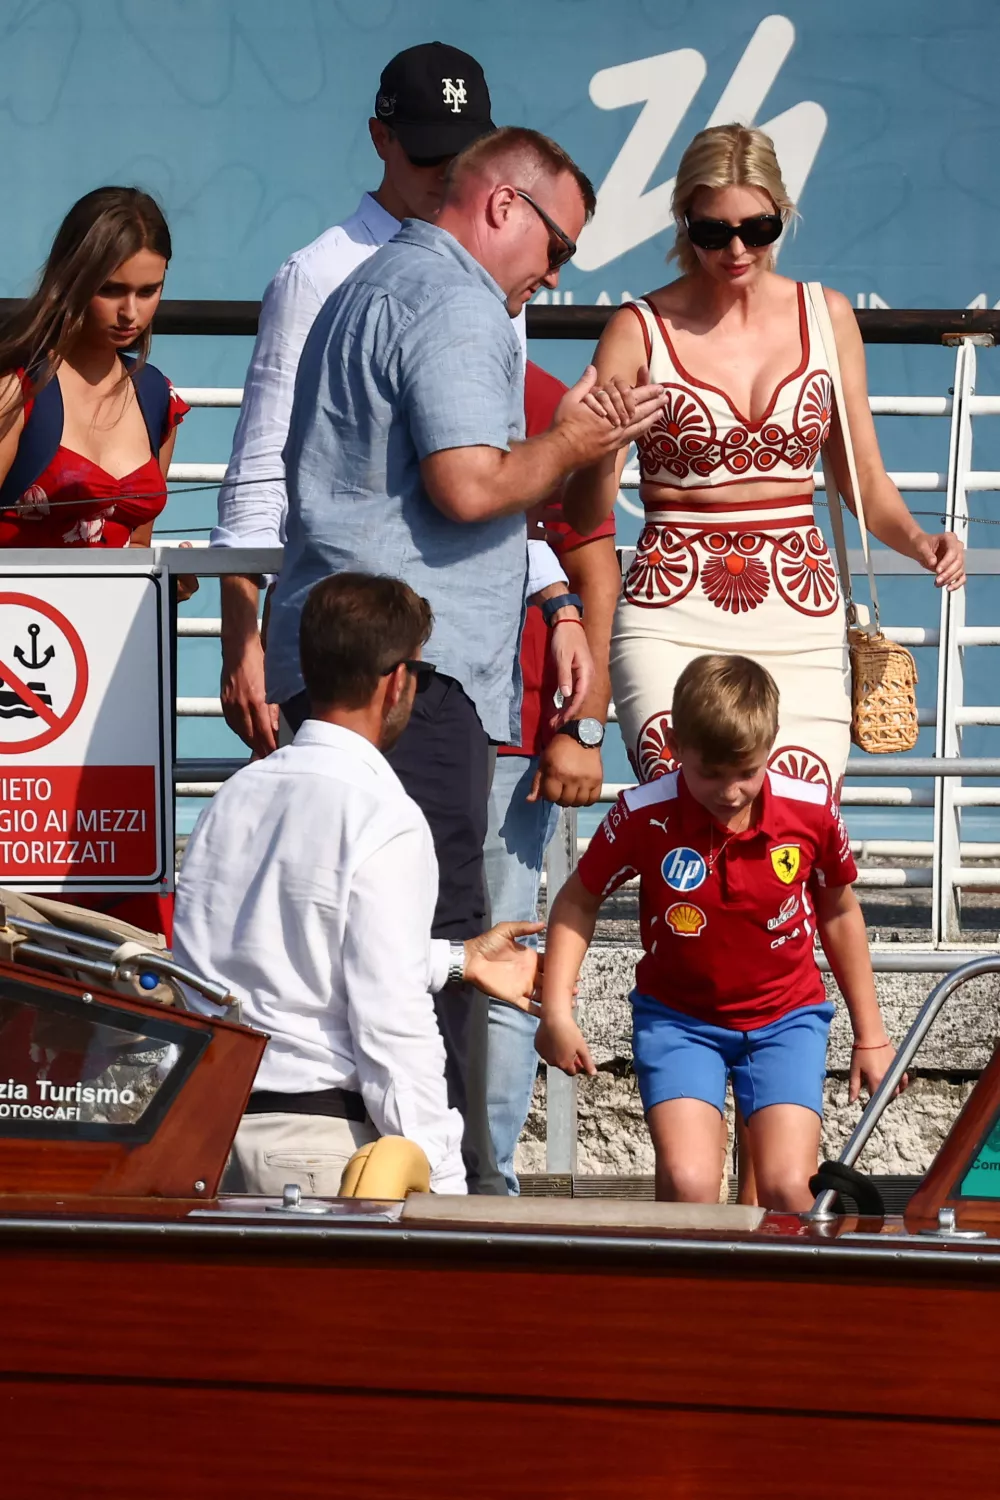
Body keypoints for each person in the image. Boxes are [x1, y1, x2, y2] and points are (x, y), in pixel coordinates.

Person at [266, 125, 667, 1193]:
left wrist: (556, 592)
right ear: (502, 208)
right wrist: (580, 442)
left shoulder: (375, 279)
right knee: (427, 933)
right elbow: (471, 487)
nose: (554, 273)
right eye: (560, 247)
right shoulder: (449, 298)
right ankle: (424, 1193)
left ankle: (362, 1169)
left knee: (352, 918)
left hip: (359, 653)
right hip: (412, 673)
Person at [563, 123, 965, 794]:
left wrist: (920, 541)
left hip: (799, 624)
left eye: (759, 227)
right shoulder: (637, 329)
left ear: (784, 213)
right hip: (669, 621)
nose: (737, 248)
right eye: (713, 232)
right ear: (683, 222)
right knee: (687, 823)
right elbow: (585, 513)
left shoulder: (827, 316)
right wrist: (598, 445)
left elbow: (861, 475)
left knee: (794, 834)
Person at [214, 40, 570, 758]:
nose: (446, 176)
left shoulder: (497, 272)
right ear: (380, 139)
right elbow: (262, 470)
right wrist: (240, 638)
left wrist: (554, 599)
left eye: (464, 156)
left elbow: (491, 460)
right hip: (347, 659)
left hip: (462, 652)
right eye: (427, 155)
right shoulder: (315, 274)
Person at [173, 571, 546, 1197]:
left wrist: (457, 961)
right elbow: (390, 1020)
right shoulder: (385, 817)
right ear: (398, 681)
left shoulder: (233, 797)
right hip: (321, 1147)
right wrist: (446, 1186)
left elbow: (269, 955)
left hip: (206, 1130)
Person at [536, 654, 908, 1211]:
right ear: (677, 745)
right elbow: (577, 900)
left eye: (746, 772)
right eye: (710, 773)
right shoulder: (644, 814)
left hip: (786, 1019)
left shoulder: (810, 811)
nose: (730, 791)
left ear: (771, 745)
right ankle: (678, 1296)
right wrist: (557, 1012)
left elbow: (837, 911)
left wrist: (871, 1035)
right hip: (680, 1021)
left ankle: (774, 1298)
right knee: (690, 1184)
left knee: (788, 1190)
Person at [0, 185, 192, 939]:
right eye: (111, 288)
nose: (130, 312)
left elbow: (138, 545)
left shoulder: (156, 401)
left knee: (117, 917)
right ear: (72, 278)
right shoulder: (19, 387)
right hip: (20, 698)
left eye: (148, 290)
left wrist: (154, 592)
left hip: (114, 695)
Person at [485, 358, 620, 1194]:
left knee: (502, 967)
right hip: (382, 725)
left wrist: (582, 723)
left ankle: (486, 1182)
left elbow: (589, 561)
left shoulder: (542, 392)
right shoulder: (380, 363)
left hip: (515, 738)